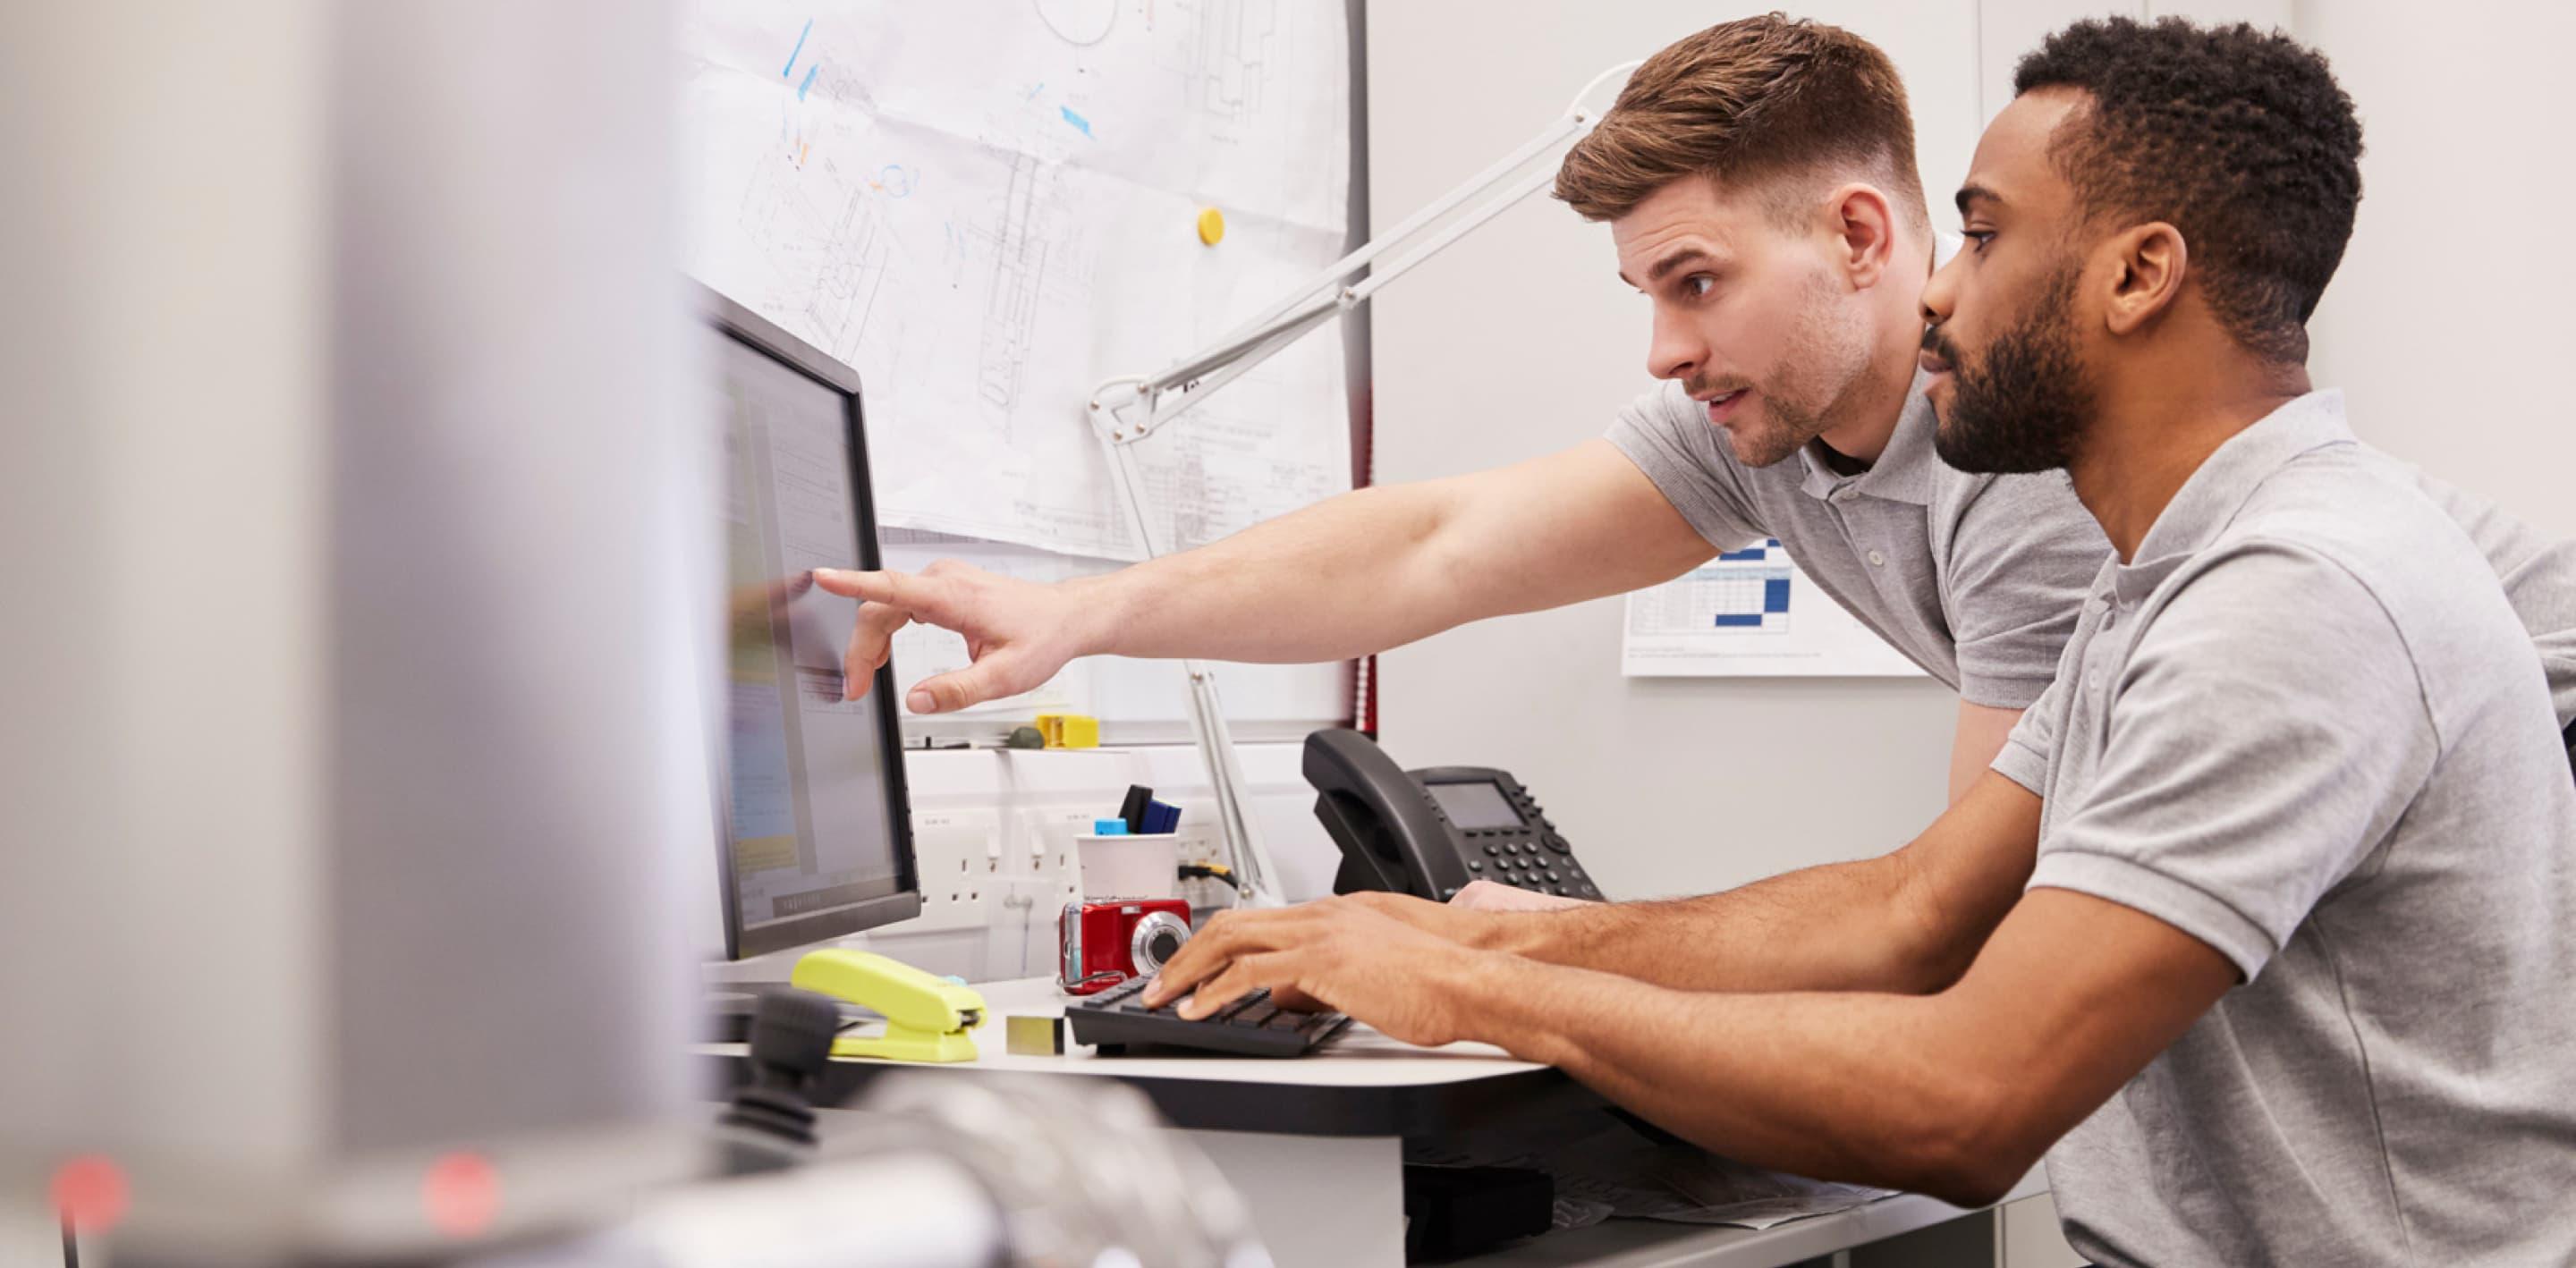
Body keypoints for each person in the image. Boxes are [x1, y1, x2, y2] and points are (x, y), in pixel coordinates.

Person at [1140, 19, 2576, 1265]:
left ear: (2140, 275)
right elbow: (1911, 908)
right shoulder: (2171, 580)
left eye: (1987, 233)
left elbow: (1967, 1098)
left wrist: (1478, 987)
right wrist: (1511, 939)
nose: (1940, 291)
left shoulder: (2291, 596)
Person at [823, 17, 2116, 819]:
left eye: (1697, 282)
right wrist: (1077, 615)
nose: (1666, 351)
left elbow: (1962, 917)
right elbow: (1433, 546)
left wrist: (1524, 959)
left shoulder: (2020, 464)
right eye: (1645, 293)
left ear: (1856, 235)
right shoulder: (1760, 426)